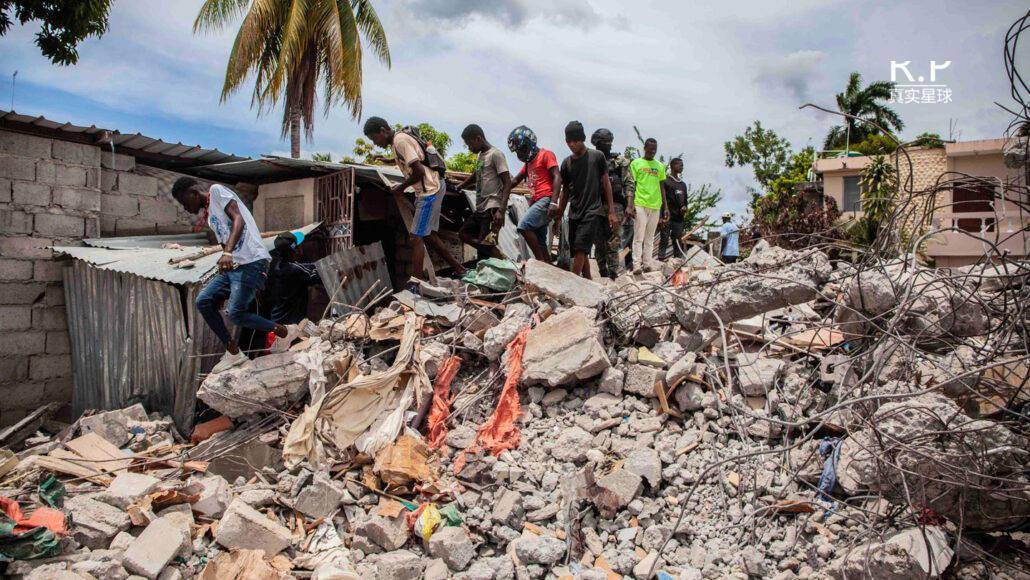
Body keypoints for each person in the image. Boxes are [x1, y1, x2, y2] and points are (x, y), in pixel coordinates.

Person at [170, 177, 288, 371]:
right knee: (204, 300)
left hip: (252, 261)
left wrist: (227, 253)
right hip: (236, 266)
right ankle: (233, 351)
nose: (185, 208)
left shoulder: (216, 191)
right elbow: (225, 242)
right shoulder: (209, 217)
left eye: (184, 202)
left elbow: (238, 219)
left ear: (193, 192)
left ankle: (281, 331)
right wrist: (224, 271)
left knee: (236, 314)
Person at [362, 117, 466, 285]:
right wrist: (388, 160)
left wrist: (400, 188)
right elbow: (412, 160)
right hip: (433, 187)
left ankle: (417, 282)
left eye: (374, 138)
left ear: (383, 130)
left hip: (429, 191)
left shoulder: (400, 140)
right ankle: (460, 268)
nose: (375, 143)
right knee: (429, 235)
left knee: (416, 237)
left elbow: (418, 171)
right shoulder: (398, 143)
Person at [549, 121, 618, 280]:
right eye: (568, 141)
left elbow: (606, 183)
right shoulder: (567, 163)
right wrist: (559, 215)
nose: (572, 144)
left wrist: (611, 212)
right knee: (579, 250)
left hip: (592, 210)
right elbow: (565, 191)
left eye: (575, 140)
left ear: (583, 139)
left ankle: (573, 283)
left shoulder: (597, 157)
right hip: (574, 212)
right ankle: (588, 281)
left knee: (581, 248)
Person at [501, 126, 560, 262]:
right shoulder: (528, 164)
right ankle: (548, 267)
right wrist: (503, 189)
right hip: (536, 201)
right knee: (540, 241)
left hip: (546, 200)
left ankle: (539, 262)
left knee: (524, 226)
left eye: (522, 150)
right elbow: (515, 180)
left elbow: (557, 177)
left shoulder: (546, 155)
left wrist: (554, 202)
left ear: (530, 143)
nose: (519, 154)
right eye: (517, 152)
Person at [455, 124, 511, 260]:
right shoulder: (480, 156)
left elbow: (507, 182)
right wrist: (460, 186)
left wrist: (501, 211)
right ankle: (491, 250)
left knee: (484, 252)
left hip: (492, 207)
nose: (469, 148)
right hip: (480, 208)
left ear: (478, 138)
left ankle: (499, 258)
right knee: (463, 234)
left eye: (469, 144)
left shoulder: (496, 154)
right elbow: (476, 175)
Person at [591, 128, 635, 278]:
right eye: (605, 142)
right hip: (596, 206)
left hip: (616, 205)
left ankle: (613, 273)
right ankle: (602, 271)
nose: (609, 145)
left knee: (614, 241)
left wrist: (629, 205)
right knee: (598, 241)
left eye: (610, 141)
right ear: (597, 143)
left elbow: (629, 184)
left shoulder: (619, 162)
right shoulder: (591, 160)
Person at [627, 138, 669, 272]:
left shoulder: (660, 166)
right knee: (639, 236)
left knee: (649, 237)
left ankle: (647, 264)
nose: (652, 152)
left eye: (654, 150)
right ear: (645, 148)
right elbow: (631, 185)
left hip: (656, 205)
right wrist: (630, 204)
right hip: (640, 203)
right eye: (650, 149)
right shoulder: (636, 163)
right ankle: (636, 265)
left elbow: (662, 187)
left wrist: (665, 207)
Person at [265, 231, 321, 325]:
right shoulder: (295, 270)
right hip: (290, 325)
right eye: (298, 245)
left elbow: (306, 266)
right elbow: (316, 276)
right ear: (294, 249)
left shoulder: (277, 266)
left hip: (276, 319)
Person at [659, 157, 689, 259]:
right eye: (679, 165)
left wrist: (684, 208)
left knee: (677, 239)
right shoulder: (666, 181)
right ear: (672, 166)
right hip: (667, 216)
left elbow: (685, 201)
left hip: (679, 218)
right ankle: (660, 259)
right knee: (664, 238)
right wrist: (661, 216)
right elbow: (662, 200)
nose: (682, 167)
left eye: (683, 165)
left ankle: (677, 261)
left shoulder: (683, 185)